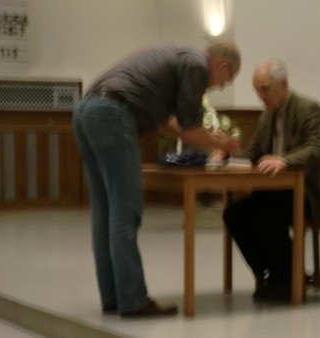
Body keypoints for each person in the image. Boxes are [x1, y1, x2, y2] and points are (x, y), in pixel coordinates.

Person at [72, 41, 241, 317]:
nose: (221, 87)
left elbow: (167, 124)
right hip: (114, 114)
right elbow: (191, 127)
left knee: (104, 211)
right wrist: (218, 144)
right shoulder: (197, 65)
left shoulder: (180, 59)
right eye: (227, 80)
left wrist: (210, 139)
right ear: (222, 64)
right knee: (126, 212)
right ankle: (133, 299)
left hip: (86, 112)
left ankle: (113, 296)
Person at [221, 59, 320, 302]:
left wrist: (285, 160)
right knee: (234, 214)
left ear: (283, 84)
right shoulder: (266, 117)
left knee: (267, 214)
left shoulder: (308, 108)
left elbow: (318, 148)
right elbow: (254, 153)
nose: (261, 96)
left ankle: (288, 279)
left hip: (311, 191)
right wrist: (227, 154)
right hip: (276, 190)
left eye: (265, 89)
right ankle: (271, 273)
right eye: (257, 90)